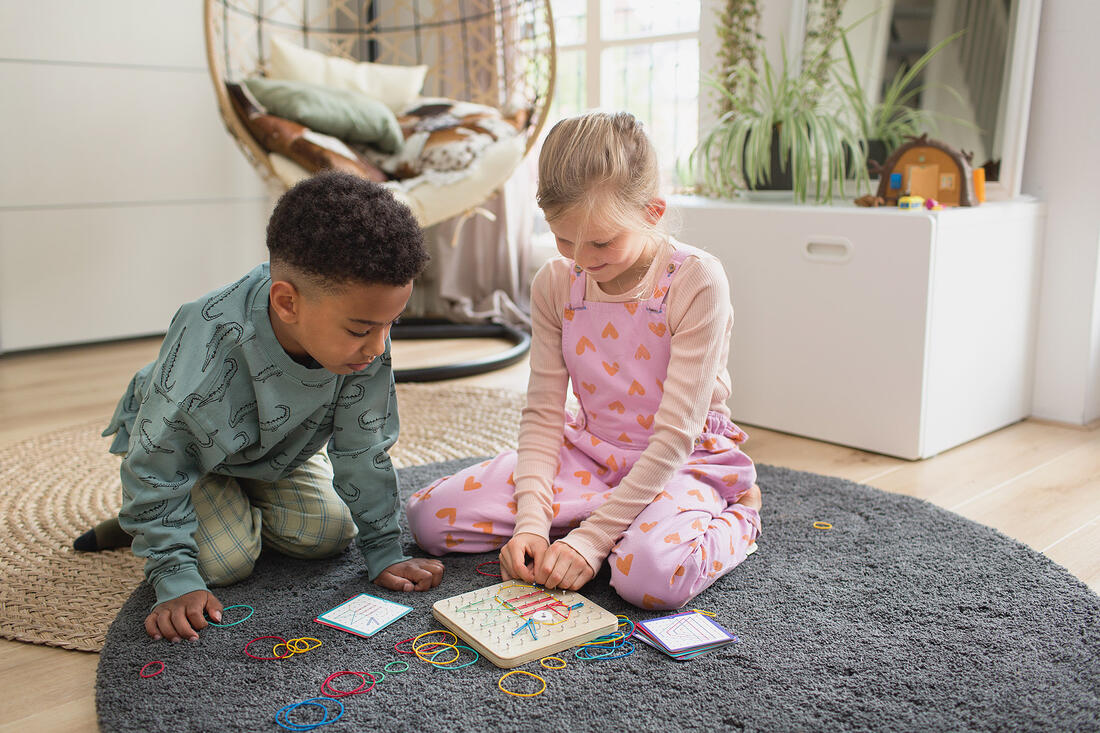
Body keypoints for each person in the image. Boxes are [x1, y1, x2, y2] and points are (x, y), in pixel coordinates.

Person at [406, 112, 762, 611]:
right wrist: (531, 521)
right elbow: (544, 413)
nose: (582, 258)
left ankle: (739, 510)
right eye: (563, 238)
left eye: (601, 242)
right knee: (429, 518)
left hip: (682, 457)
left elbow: (676, 436)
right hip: (591, 451)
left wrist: (591, 542)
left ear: (653, 212)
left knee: (649, 581)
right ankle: (601, 516)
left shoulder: (695, 280)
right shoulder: (556, 282)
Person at [75, 172, 443, 642]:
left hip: (274, 449)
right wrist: (172, 573)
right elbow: (156, 460)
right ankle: (150, 524)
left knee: (329, 535)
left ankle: (223, 509)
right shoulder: (207, 344)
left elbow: (363, 446)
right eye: (361, 330)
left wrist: (385, 549)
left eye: (391, 324)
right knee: (226, 562)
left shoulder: (365, 340)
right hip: (187, 457)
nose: (378, 346)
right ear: (286, 303)